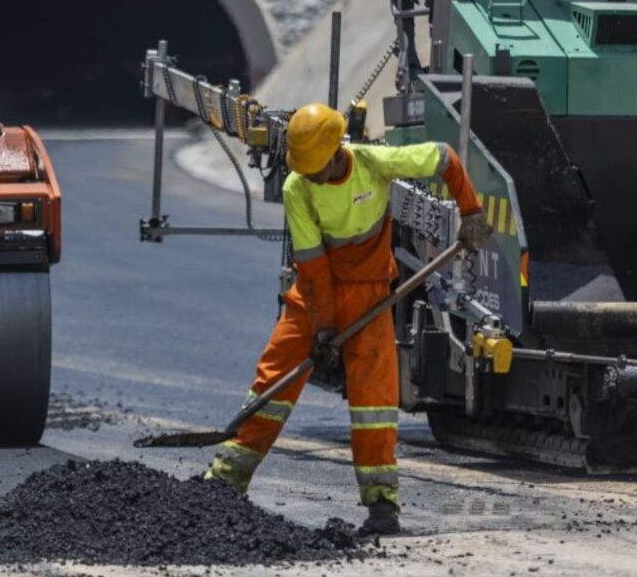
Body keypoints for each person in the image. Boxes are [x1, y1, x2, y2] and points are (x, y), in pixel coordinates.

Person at [203, 103, 493, 535]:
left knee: (374, 403)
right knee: (273, 382)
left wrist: (469, 211)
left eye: (316, 167)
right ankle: (226, 481)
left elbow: (445, 158)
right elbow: (313, 267)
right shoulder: (297, 188)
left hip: (371, 298)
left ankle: (381, 507)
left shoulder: (374, 165)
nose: (311, 175)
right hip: (313, 300)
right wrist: (322, 328)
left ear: (337, 153)